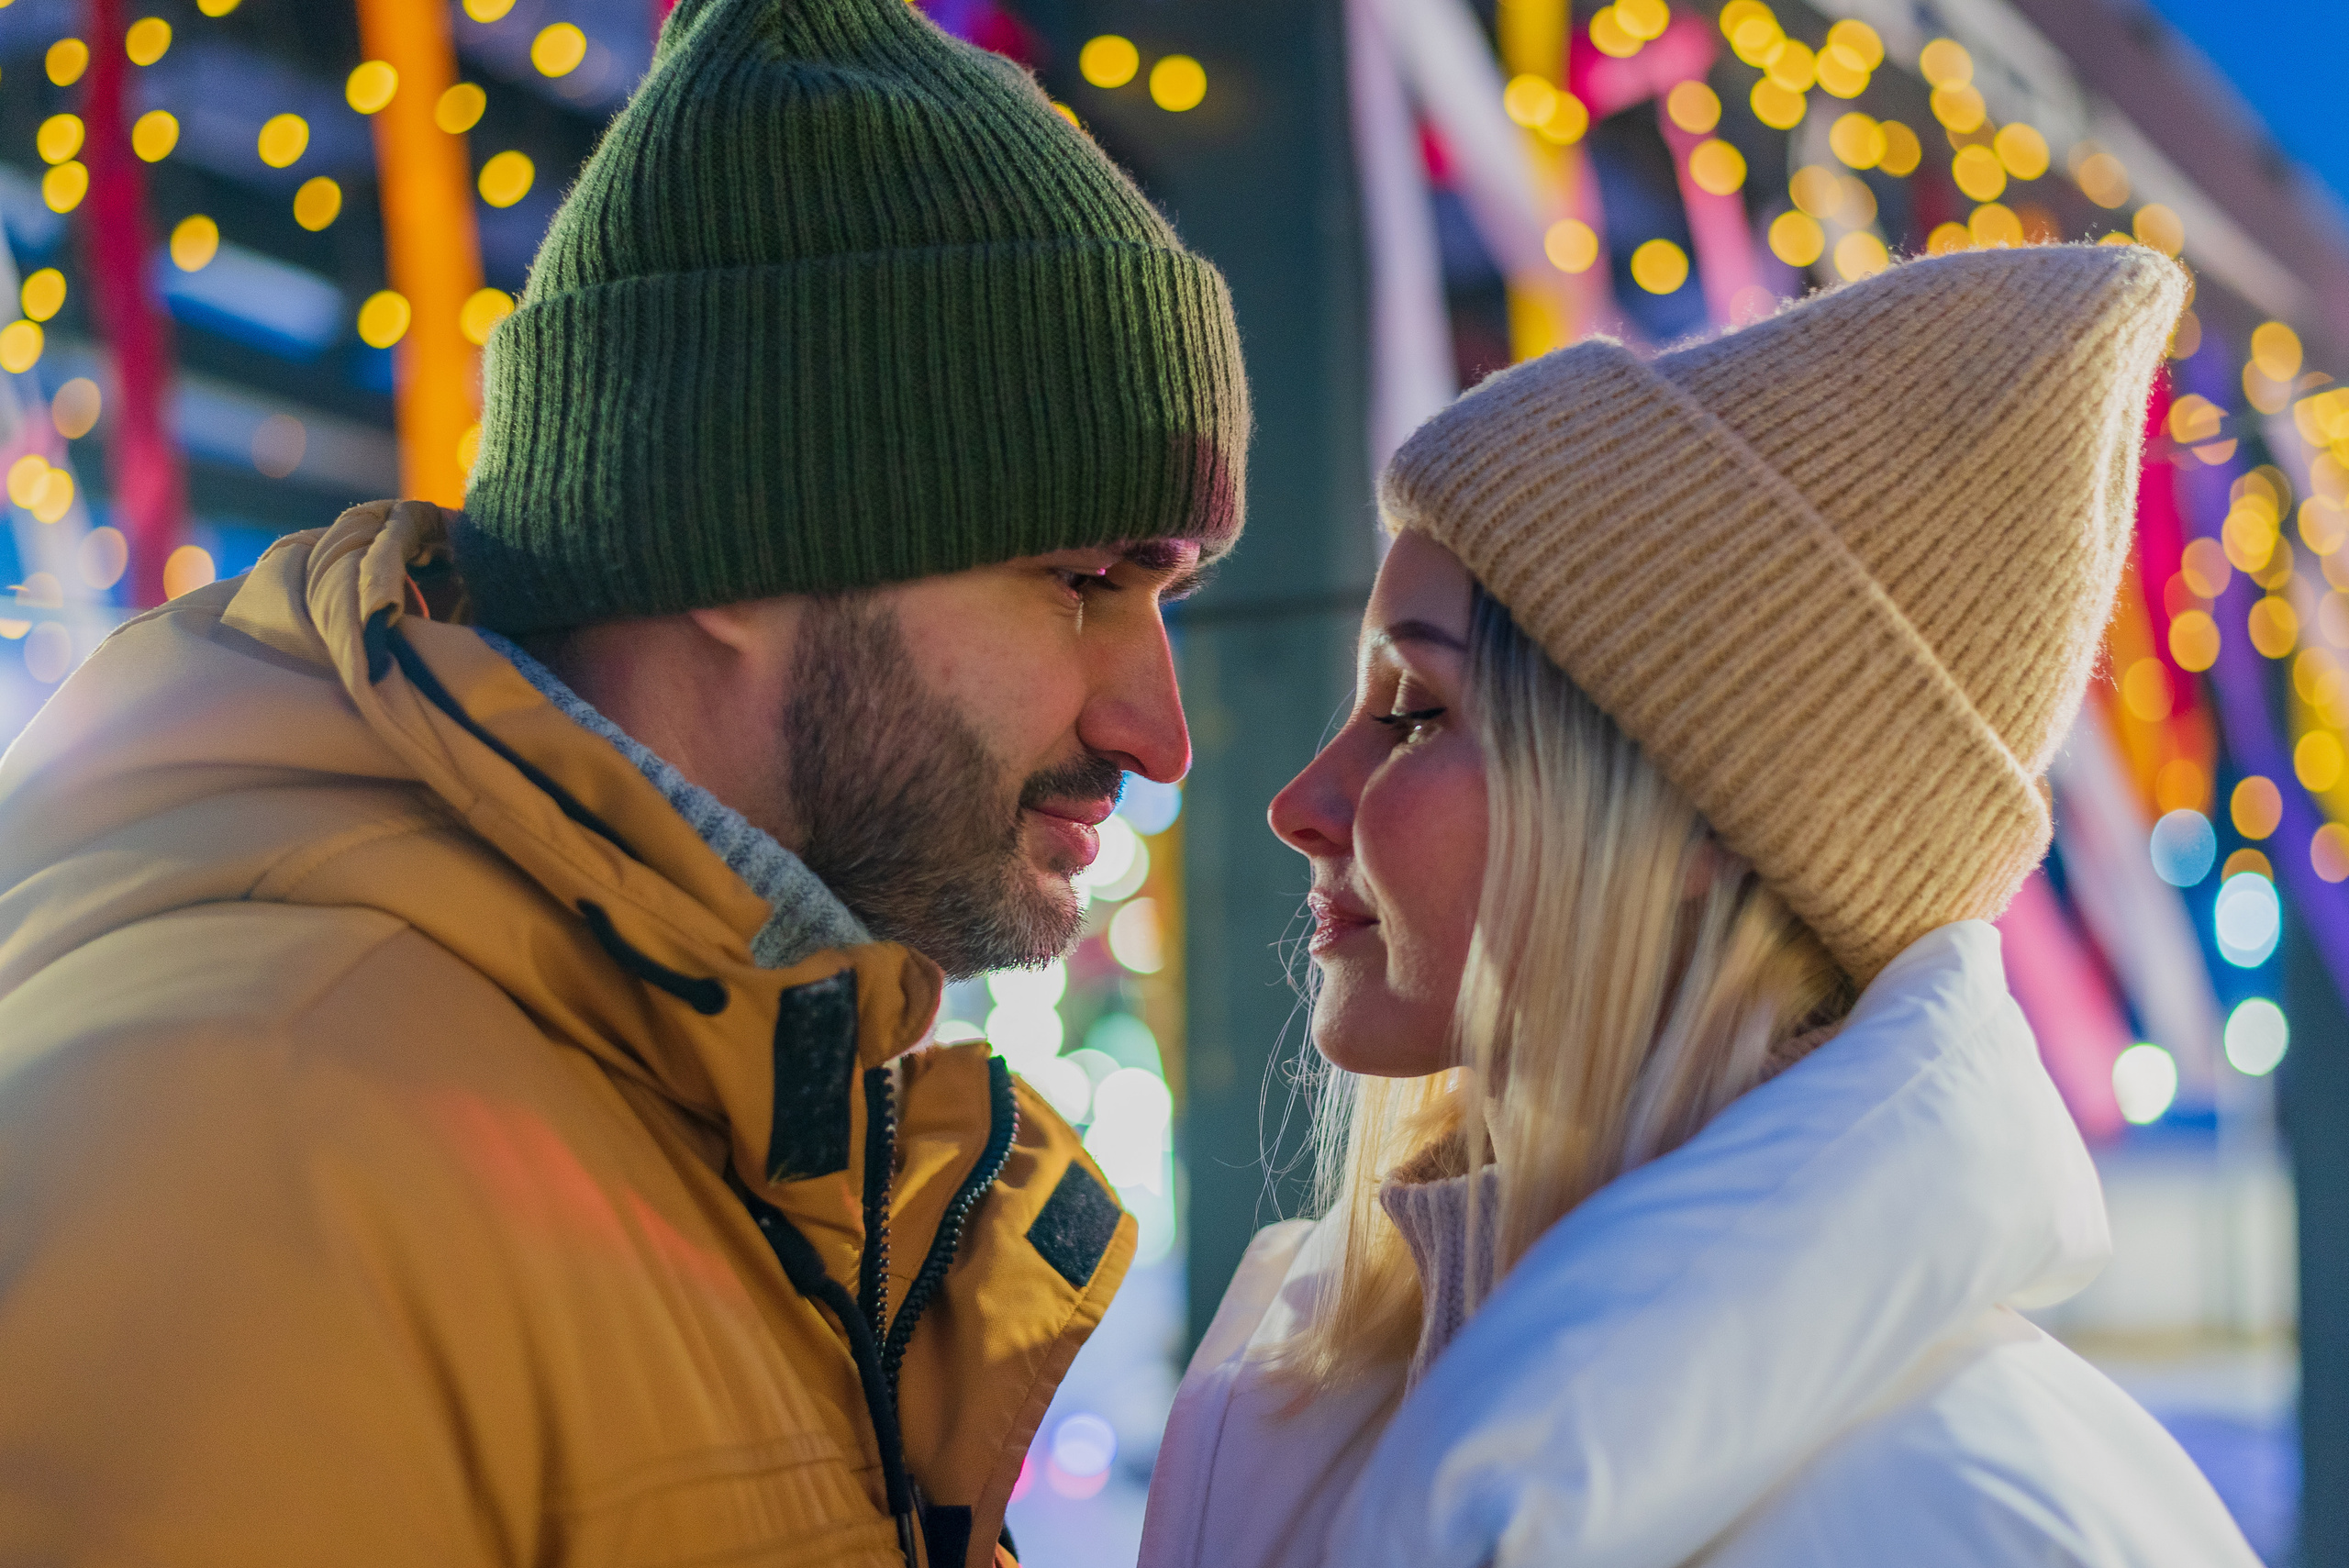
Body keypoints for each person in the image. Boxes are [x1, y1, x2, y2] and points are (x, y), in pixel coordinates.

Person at [0, 2, 1244, 1564]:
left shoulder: (775, 1114)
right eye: (1075, 577)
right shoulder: (241, 1140)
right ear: (744, 544)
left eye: (1164, 595)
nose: (1158, 731)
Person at [1142, 245, 2261, 1568]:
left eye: (1419, 712)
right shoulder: (1303, 1389)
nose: (1303, 799)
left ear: (1699, 816)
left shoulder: (1983, 1519)